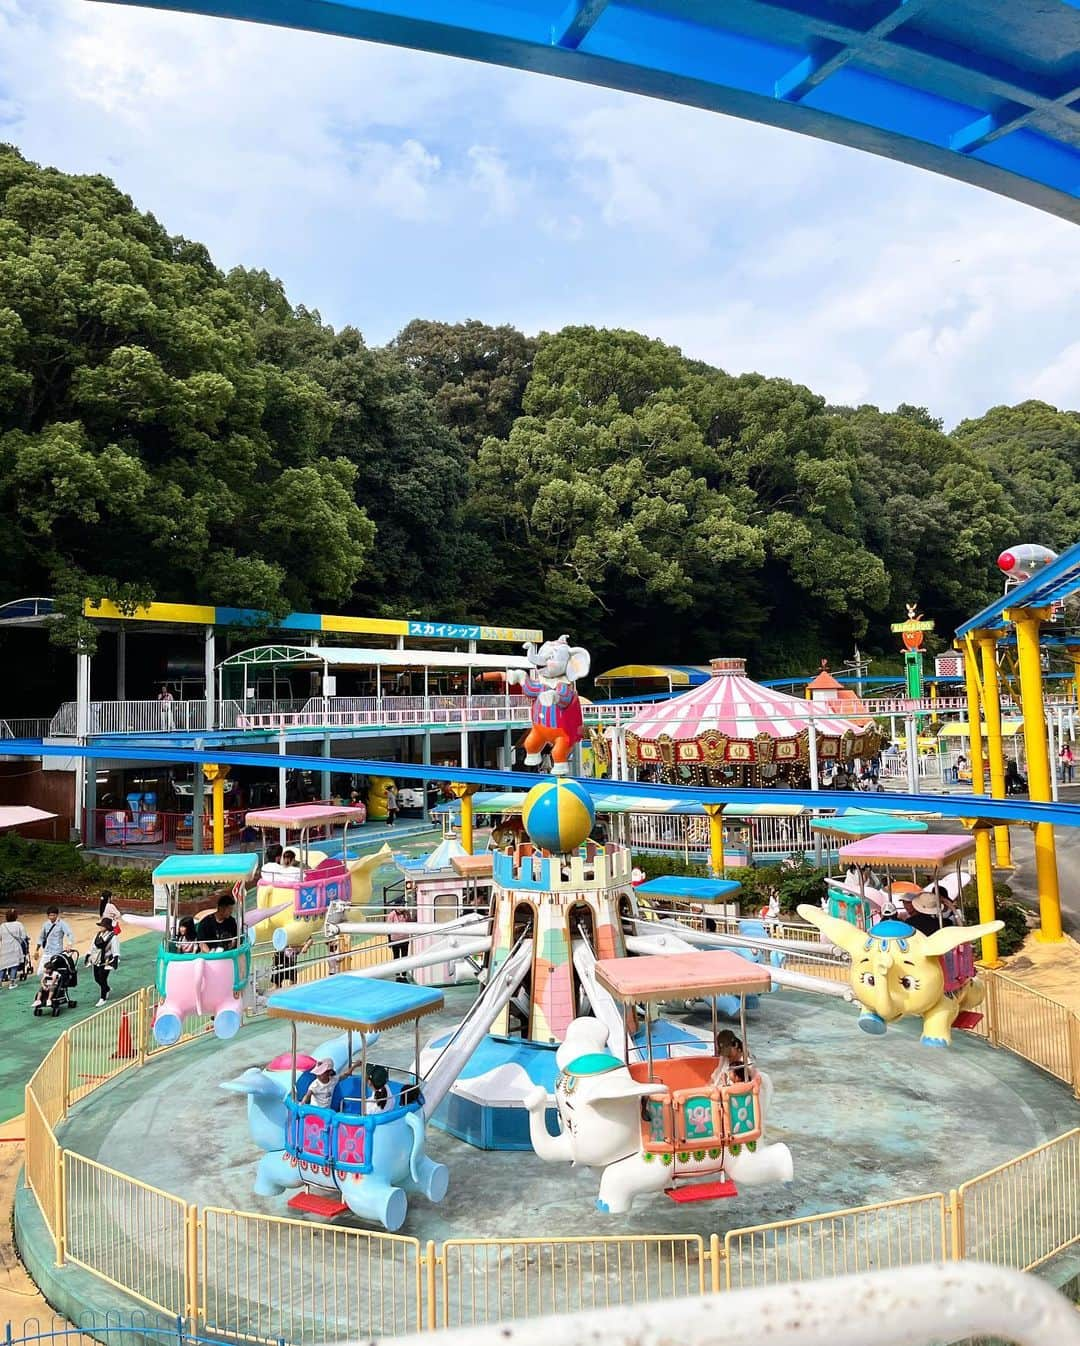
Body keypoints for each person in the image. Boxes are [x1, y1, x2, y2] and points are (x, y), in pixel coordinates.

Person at [85, 917, 120, 1005]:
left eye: (102, 925)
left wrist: (115, 959)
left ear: (107, 926)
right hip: (96, 960)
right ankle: (106, 988)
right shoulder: (97, 935)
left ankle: (103, 998)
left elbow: (115, 949)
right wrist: (88, 955)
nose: (100, 927)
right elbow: (92, 946)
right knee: (97, 979)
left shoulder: (113, 937)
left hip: (106, 961)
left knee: (102, 978)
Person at [35, 906, 75, 974]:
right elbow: (41, 937)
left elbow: (69, 934)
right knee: (41, 971)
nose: (51, 917)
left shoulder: (62, 924)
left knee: (55, 970)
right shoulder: (46, 924)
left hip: (57, 951)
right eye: (50, 915)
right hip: (47, 951)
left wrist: (69, 944)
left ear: (57, 915)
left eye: (53, 915)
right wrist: (37, 950)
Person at [0, 909, 28, 988]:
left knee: (3, 966)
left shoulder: (2, 926)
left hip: (4, 948)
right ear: (16, 916)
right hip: (15, 947)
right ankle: (12, 983)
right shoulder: (18, 924)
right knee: (14, 965)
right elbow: (23, 936)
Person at [386, 898, 412, 981]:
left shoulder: (406, 914)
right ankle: (397, 975)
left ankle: (404, 975)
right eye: (402, 905)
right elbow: (388, 928)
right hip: (395, 940)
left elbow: (410, 923)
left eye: (404, 905)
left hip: (405, 939)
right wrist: (389, 940)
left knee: (404, 958)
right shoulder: (392, 915)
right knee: (396, 958)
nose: (403, 906)